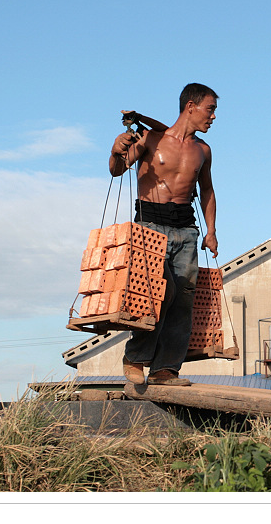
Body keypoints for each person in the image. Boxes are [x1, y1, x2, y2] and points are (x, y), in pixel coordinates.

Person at [109, 83, 219, 386]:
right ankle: (136, 358)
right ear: (191, 107)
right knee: (160, 291)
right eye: (210, 110)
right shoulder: (150, 138)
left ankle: (165, 369)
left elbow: (207, 190)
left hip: (186, 230)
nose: (213, 117)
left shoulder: (203, 150)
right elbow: (118, 169)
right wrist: (116, 149)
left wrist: (211, 232)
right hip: (150, 225)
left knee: (183, 300)